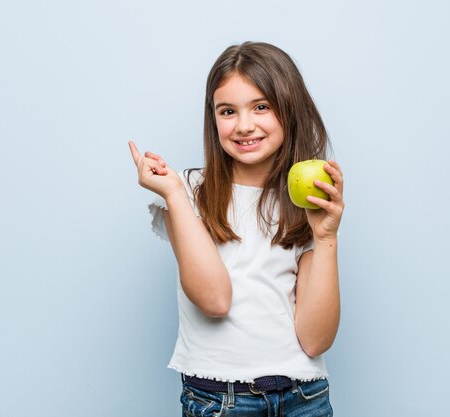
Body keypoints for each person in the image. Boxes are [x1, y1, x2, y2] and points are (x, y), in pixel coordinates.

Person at [128, 41, 344, 417]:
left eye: (261, 106)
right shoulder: (188, 191)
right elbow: (215, 300)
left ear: (289, 110)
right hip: (221, 400)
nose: (244, 125)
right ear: (213, 118)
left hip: (304, 397)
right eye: (228, 111)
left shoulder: (305, 201)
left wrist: (325, 238)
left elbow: (315, 339)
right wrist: (176, 195)